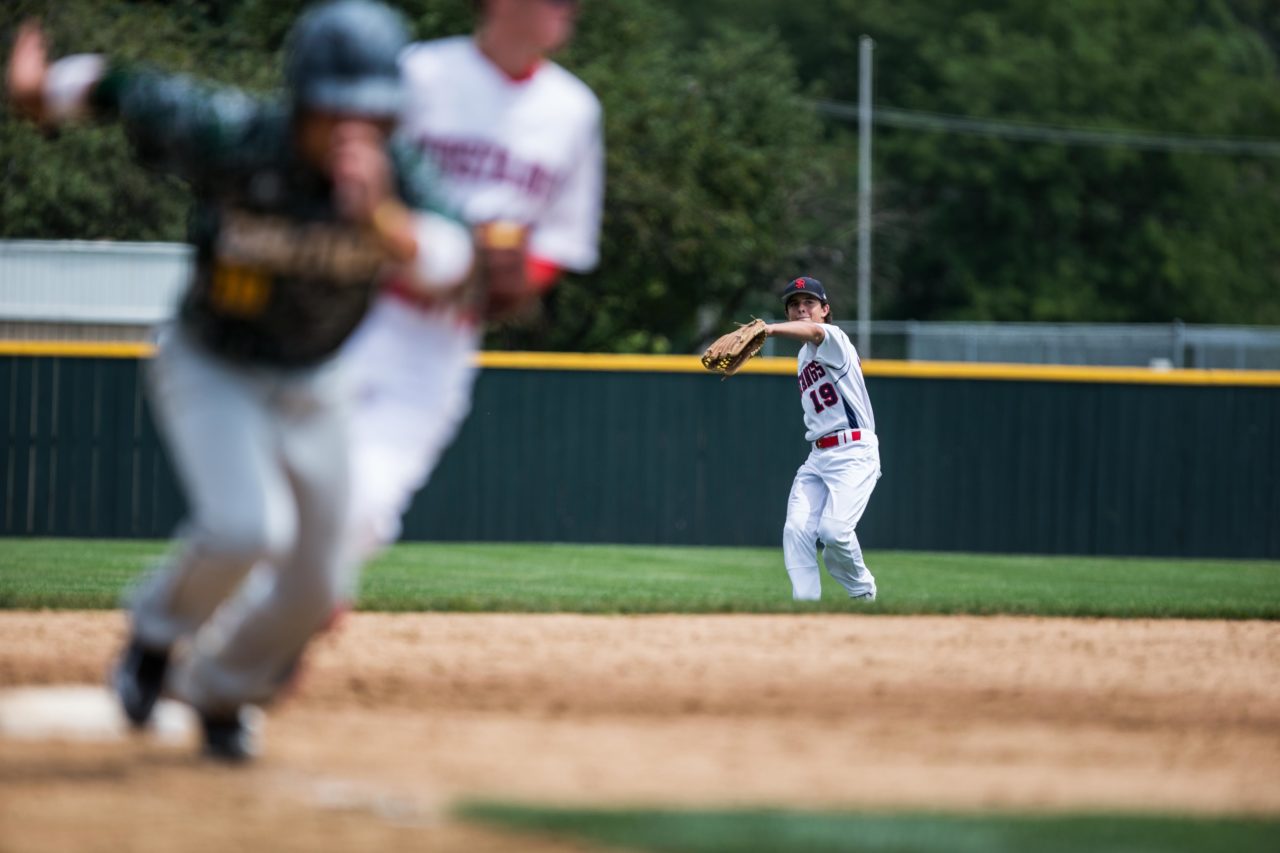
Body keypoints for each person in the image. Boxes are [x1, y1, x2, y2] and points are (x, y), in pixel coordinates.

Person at [4, 0, 475, 760]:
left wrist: (382, 218)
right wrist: (42, 94)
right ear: (301, 101)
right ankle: (154, 638)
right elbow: (128, 88)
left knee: (319, 582)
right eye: (335, 109)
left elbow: (455, 259)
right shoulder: (239, 137)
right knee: (245, 529)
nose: (353, 128)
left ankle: (222, 689)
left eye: (372, 113)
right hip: (213, 361)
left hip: (317, 380)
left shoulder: (399, 177)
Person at [341, 0, 603, 559]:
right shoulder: (420, 73)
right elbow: (347, 171)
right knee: (273, 510)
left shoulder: (573, 109)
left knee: (363, 510)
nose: (571, 9)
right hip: (348, 309)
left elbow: (560, 242)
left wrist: (514, 281)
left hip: (439, 341)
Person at [763, 277, 880, 601]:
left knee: (834, 532)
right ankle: (805, 607)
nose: (801, 308)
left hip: (854, 450)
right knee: (796, 530)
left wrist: (768, 330)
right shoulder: (803, 357)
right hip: (818, 456)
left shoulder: (834, 338)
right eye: (794, 304)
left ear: (825, 309)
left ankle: (864, 593)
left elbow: (814, 332)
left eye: (809, 302)